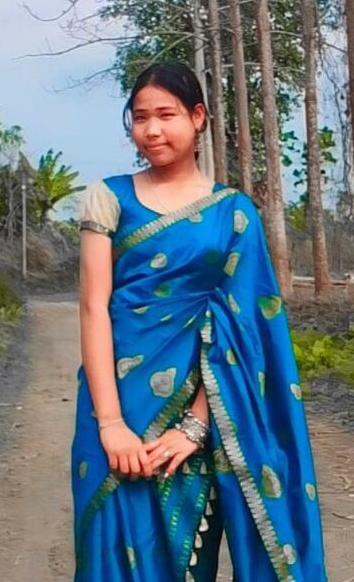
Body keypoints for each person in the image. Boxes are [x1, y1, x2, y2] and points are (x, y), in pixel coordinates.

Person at [71, 61, 327, 581]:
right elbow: (93, 309)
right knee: (112, 550)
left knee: (187, 551)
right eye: (140, 117)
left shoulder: (232, 213)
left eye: (166, 115)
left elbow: (246, 333)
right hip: (114, 406)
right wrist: (111, 426)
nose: (152, 130)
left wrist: (196, 424)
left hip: (200, 415)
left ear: (197, 117)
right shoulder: (109, 198)